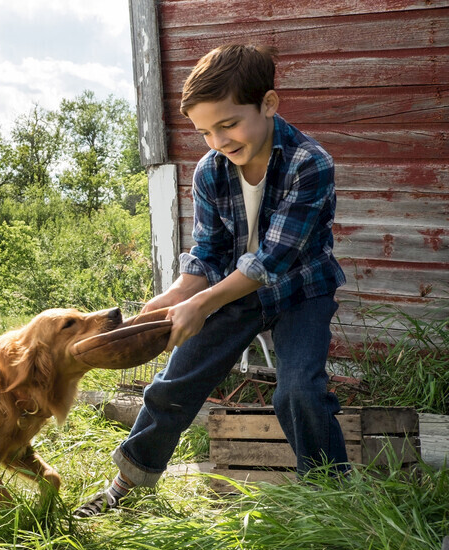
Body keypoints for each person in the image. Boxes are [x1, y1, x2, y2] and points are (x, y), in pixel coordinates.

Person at [74, 44, 348, 517]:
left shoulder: (310, 163)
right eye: (205, 131)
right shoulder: (209, 171)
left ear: (268, 104)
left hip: (302, 290)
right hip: (235, 292)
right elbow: (205, 257)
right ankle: (129, 486)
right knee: (172, 385)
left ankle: (332, 500)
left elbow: (271, 261)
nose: (219, 140)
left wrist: (200, 306)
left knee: (299, 391)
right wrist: (167, 305)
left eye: (228, 124)